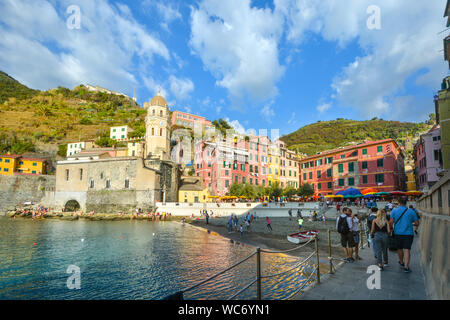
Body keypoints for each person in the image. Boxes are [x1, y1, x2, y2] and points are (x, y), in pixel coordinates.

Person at [389, 197, 419, 273]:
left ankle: (401, 262)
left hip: (398, 233)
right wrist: (411, 223)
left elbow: (391, 222)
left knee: (399, 248)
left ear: (398, 203)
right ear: (406, 203)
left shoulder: (394, 211)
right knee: (407, 249)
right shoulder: (411, 211)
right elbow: (417, 223)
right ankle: (406, 267)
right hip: (408, 233)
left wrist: (391, 229)